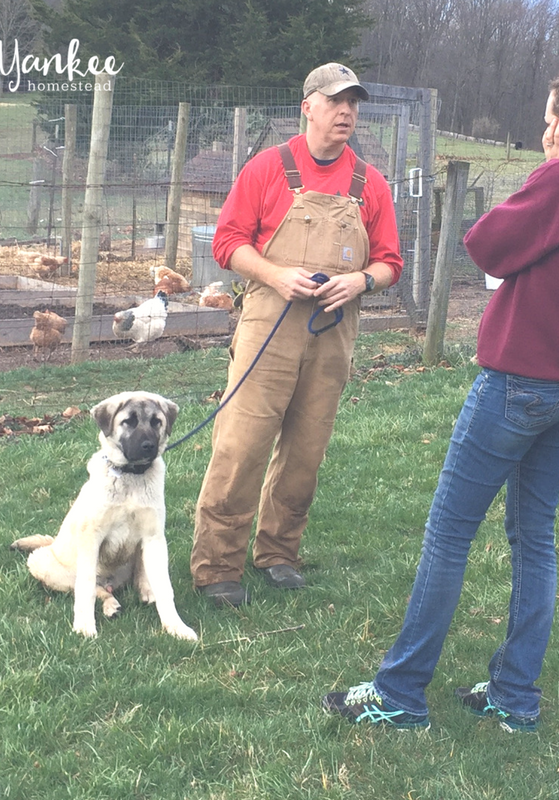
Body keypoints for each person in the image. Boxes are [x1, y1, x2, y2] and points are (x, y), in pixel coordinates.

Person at [322, 67, 559, 731]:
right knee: (536, 540)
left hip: (518, 383)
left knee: (449, 532)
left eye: (547, 119)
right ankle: (515, 697)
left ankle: (401, 692)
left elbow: (483, 244)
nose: (541, 132)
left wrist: (550, 169)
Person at [191, 63, 403, 607]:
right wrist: (273, 273)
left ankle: (279, 552)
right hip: (269, 324)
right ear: (307, 106)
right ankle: (217, 564)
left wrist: (360, 280)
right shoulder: (268, 168)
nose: (346, 112)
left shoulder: (369, 183)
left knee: (306, 449)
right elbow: (227, 243)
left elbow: (390, 263)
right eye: (335, 102)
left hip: (332, 332)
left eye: (353, 103)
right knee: (242, 444)